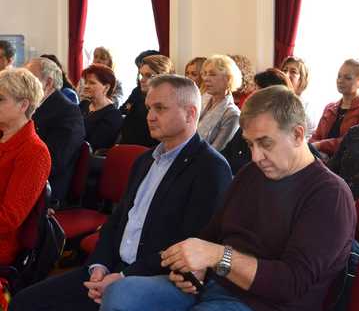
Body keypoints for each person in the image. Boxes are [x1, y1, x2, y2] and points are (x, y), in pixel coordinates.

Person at [98, 85, 356, 311]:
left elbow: (291, 284)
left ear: (298, 135)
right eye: (250, 144)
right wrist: (194, 269)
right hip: (214, 286)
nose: (256, 156)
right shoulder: (252, 174)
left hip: (265, 304)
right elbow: (212, 233)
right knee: (120, 294)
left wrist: (219, 258)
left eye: (265, 143)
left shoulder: (329, 195)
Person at [10, 75, 233, 311]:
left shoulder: (210, 168)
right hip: (112, 268)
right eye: (149, 108)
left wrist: (124, 277)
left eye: (160, 108)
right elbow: (117, 221)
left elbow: (190, 244)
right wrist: (99, 266)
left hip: (154, 278)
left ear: (190, 113)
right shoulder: (146, 160)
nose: (150, 116)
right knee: (25, 302)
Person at [0, 68, 51, 265]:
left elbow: (9, 219)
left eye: (1, 99)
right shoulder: (3, 135)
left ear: (23, 105)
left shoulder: (34, 152)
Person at [25, 57, 85, 204]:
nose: (24, 85)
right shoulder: (29, 106)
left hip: (48, 190)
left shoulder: (68, 113)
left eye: (29, 80)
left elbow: (54, 163)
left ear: (48, 83)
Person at [220, 68, 293, 174]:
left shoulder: (283, 132)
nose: (253, 94)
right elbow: (226, 153)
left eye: (258, 90)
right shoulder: (249, 124)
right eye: (254, 89)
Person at [311, 59, 359, 160]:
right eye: (339, 76)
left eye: (347, 78)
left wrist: (320, 145)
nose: (340, 80)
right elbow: (316, 136)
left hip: (346, 165)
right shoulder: (329, 107)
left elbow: (354, 141)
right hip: (320, 160)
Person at [120, 54, 174, 147]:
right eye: (141, 75)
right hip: (127, 147)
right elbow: (122, 111)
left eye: (148, 76)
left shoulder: (170, 101)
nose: (142, 80)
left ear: (163, 77)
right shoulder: (137, 92)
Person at [197, 54, 241, 151]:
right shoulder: (201, 99)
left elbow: (216, 150)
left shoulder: (232, 114)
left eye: (212, 74)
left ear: (228, 79)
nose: (206, 78)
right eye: (205, 73)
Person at [79, 64, 123, 150]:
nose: (86, 86)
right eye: (86, 82)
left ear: (106, 87)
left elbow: (95, 145)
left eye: (92, 83)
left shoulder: (113, 115)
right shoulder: (84, 104)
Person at [281, 55, 317, 138]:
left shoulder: (307, 106)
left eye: (293, 72)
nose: (286, 74)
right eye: (284, 70)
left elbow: (309, 137)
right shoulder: (277, 100)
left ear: (302, 79)